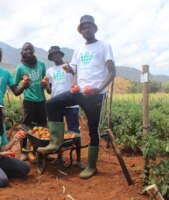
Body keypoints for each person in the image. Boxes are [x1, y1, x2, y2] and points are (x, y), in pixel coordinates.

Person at [38, 15, 116, 179]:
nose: (86, 29)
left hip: (95, 95)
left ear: (95, 28)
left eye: (89, 26)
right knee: (52, 103)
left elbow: (112, 72)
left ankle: (92, 166)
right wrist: (72, 80)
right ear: (80, 31)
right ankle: (56, 141)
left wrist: (99, 88)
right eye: (83, 27)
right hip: (79, 92)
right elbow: (74, 70)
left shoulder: (104, 46)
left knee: (93, 130)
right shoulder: (78, 50)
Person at [42, 46, 81, 164]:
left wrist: (72, 71)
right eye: (52, 55)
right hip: (56, 106)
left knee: (74, 132)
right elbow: (49, 91)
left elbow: (77, 80)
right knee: (57, 132)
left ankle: (78, 159)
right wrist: (45, 86)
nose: (55, 56)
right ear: (51, 57)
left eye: (57, 54)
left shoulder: (70, 67)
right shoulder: (50, 71)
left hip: (71, 105)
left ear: (61, 54)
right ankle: (59, 157)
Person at [15, 42, 48, 160]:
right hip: (29, 101)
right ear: (22, 52)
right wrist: (24, 85)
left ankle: (39, 150)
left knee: (43, 126)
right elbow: (15, 89)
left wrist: (45, 84)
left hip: (42, 100)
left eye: (30, 49)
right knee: (26, 126)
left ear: (33, 51)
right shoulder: (20, 68)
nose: (28, 51)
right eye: (25, 49)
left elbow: (46, 82)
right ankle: (23, 151)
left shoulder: (42, 65)